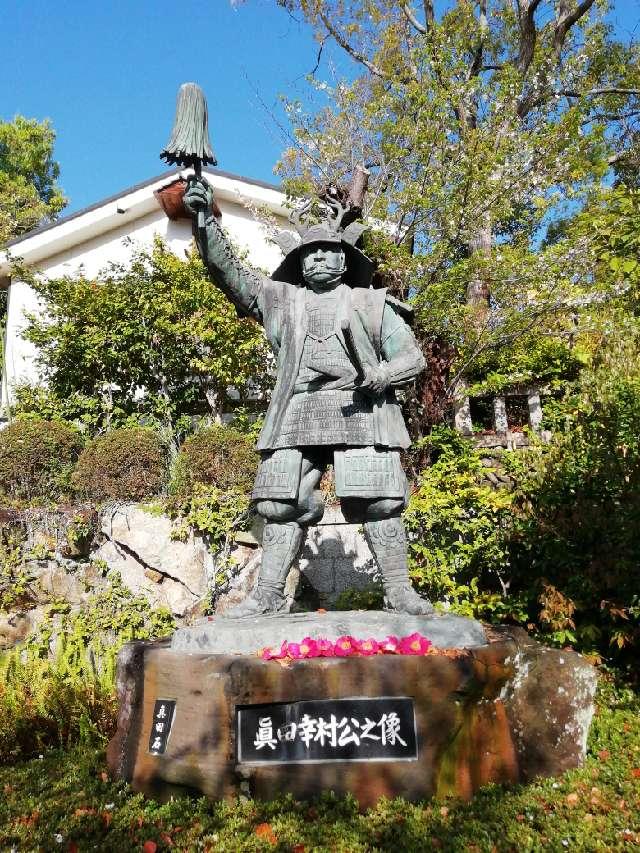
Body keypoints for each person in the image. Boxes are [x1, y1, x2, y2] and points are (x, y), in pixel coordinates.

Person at [183, 179, 432, 617]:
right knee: (279, 502)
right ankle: (267, 595)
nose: (317, 257)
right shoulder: (280, 301)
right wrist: (204, 220)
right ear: (299, 263)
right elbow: (230, 274)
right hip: (297, 410)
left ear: (344, 259)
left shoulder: (372, 304)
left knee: (379, 500)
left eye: (326, 251)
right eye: (309, 253)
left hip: (359, 409)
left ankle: (399, 590)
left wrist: (382, 373)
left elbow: (412, 357)